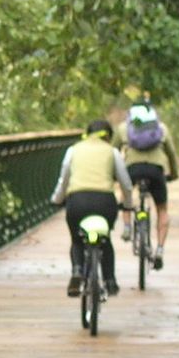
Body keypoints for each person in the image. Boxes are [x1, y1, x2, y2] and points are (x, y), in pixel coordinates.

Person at [50, 118, 133, 297]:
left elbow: (64, 178)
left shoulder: (74, 150)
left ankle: (77, 271)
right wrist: (127, 204)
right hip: (105, 202)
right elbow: (126, 184)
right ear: (108, 137)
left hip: (77, 201)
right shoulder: (112, 152)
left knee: (77, 239)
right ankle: (110, 280)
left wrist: (57, 199)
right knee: (106, 240)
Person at [114, 97, 178, 268]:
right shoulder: (161, 128)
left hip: (132, 169)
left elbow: (113, 150)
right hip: (156, 171)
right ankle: (160, 249)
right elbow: (171, 153)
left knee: (126, 193)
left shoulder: (124, 128)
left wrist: (114, 175)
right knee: (162, 208)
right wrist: (173, 174)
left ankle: (127, 227)